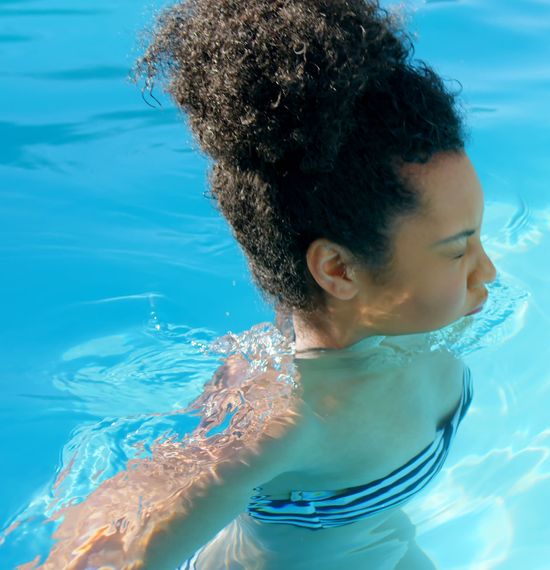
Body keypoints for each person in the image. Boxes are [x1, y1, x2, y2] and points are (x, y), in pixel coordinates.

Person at [37, 0, 495, 567]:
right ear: (339, 271)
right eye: (458, 250)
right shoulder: (287, 424)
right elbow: (98, 555)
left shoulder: (418, 323)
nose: (488, 271)